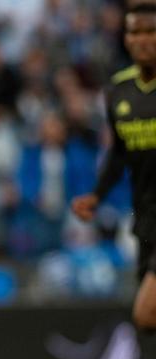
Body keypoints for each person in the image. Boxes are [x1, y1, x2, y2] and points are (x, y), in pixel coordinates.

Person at [71, 1, 156, 334]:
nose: (142, 39)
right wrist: (97, 195)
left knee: (146, 313)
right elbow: (120, 152)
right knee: (149, 322)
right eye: (135, 31)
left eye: (151, 31)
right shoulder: (119, 90)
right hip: (145, 216)